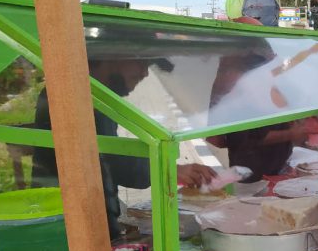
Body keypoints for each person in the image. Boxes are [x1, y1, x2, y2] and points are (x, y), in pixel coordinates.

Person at [32, 58, 217, 240]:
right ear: (111, 54)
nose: (145, 73)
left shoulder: (98, 96)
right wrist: (168, 169)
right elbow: (105, 160)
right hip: (66, 230)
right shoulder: (70, 97)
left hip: (91, 220)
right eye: (141, 63)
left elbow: (108, 157)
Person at [206, 17, 318, 182]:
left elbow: (216, 139)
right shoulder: (237, 83)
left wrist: (301, 125)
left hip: (276, 169)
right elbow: (249, 138)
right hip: (253, 177)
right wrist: (293, 133)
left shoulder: (237, 78)